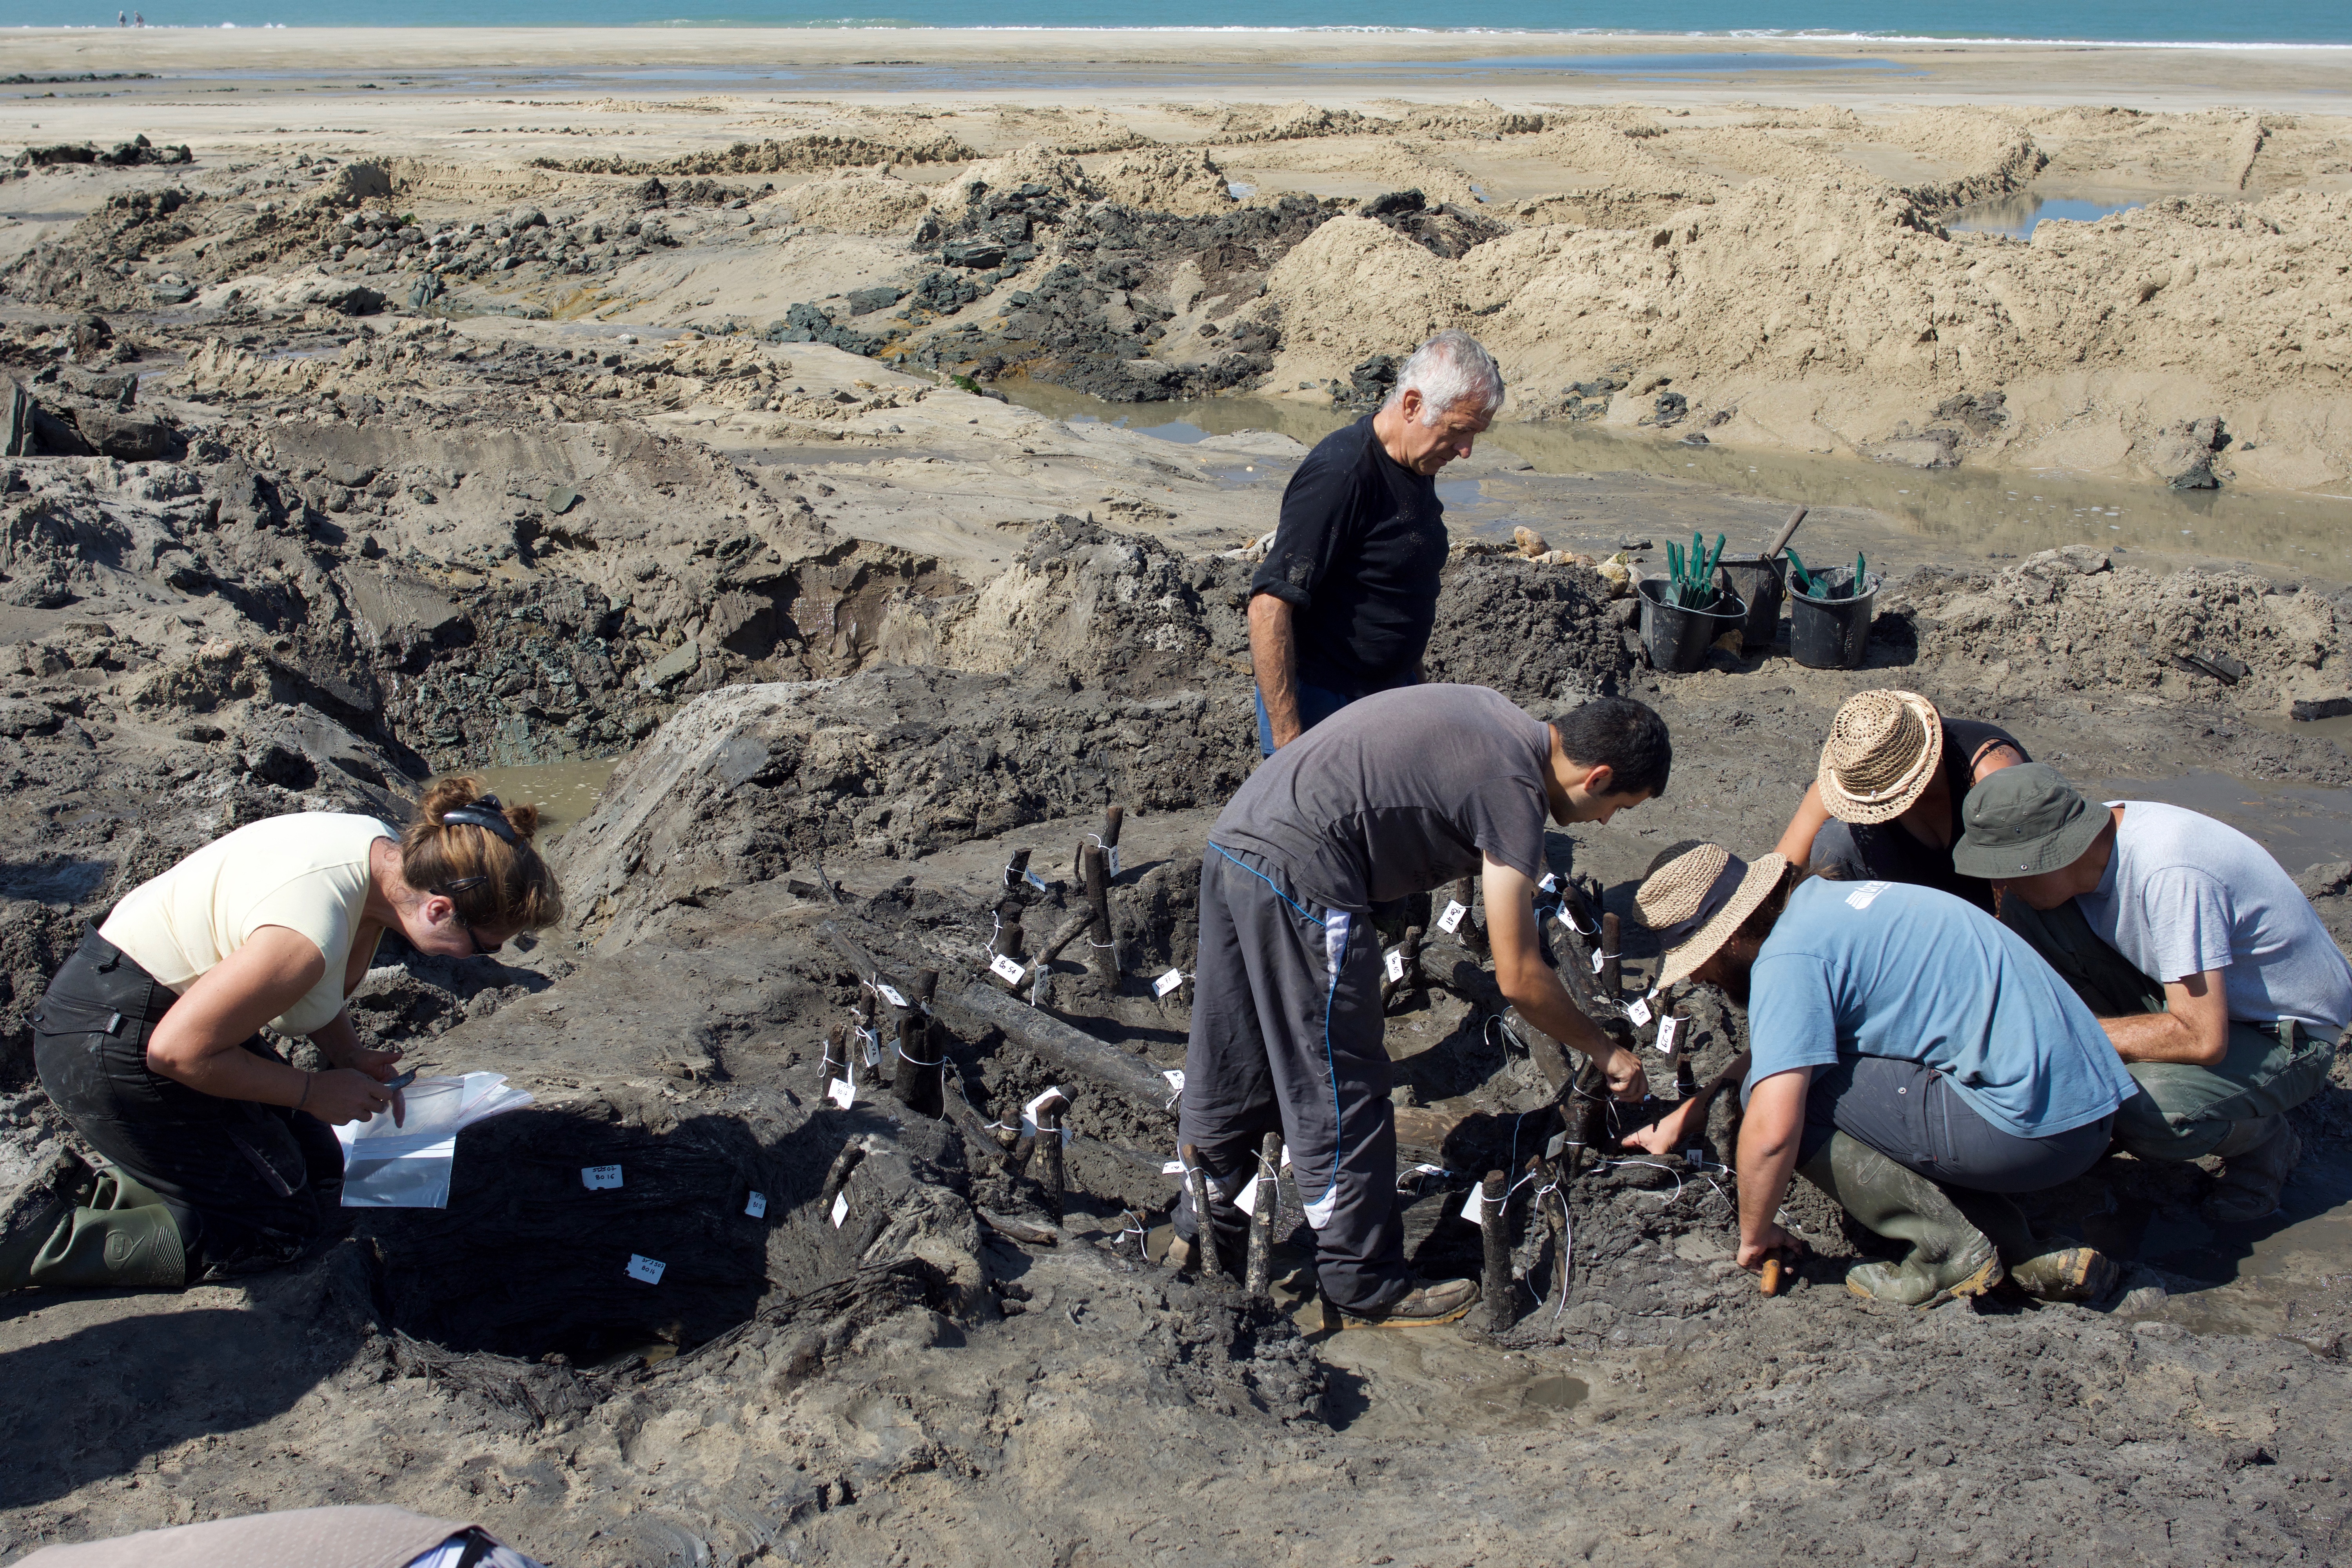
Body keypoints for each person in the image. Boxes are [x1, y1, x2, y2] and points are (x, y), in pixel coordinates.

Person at [1176, 686, 1668, 1324]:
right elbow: (1519, 975)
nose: (1605, 824)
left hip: (1237, 839)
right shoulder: (1512, 793)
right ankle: (1364, 1281)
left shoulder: (1495, 716)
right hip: (1304, 870)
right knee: (1339, 1077)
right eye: (1616, 807)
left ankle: (1203, 1226)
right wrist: (1604, 1049)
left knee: (1232, 1053)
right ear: (1596, 776)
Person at [1, 780, 564, 1294]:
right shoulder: (304, 939)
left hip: (172, 1011)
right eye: (487, 946)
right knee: (276, 1230)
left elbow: (290, 987)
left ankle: (138, 1190)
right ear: (441, 910)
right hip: (112, 1042)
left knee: (321, 1170)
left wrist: (347, 1053)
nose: (484, 958)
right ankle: (42, 1243)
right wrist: (311, 1092)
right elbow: (177, 1051)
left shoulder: (378, 855)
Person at [1635, 843, 2138, 1306]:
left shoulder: (1788, 959)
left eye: (1700, 960)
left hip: (2033, 1133)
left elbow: (1770, 1132)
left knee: (1782, 1096)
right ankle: (2017, 1248)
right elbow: (1787, 1042)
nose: (1698, 976)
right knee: (1803, 1076)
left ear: (1734, 935)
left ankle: (1946, 1254)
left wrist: (1755, 1234)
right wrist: (1691, 1112)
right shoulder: (1827, 907)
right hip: (2087, 1108)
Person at [1956, 764, 2350, 1224]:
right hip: (2189, 995)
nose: (2003, 885)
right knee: (2036, 914)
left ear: (2058, 852)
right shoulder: (2096, 837)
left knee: (2146, 1112)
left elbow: (2202, 1038)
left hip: (2283, 1032)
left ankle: (2265, 1140)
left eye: (2013, 872)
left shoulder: (2172, 872)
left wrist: (2067, 1033)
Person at [1249, 329, 1503, 755]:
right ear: (1412, 405)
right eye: (1459, 431)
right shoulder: (1343, 473)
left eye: (1475, 435)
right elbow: (1269, 606)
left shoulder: (1416, 468)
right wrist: (1291, 749)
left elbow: (1397, 592)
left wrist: (1419, 694)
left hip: (1387, 696)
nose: (1466, 451)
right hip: (1325, 705)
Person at [1771, 688, 2027, 913]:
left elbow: (2015, 900)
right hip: (1920, 898)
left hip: (2003, 896)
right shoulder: (1859, 771)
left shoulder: (1991, 775)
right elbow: (1780, 875)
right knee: (1835, 844)